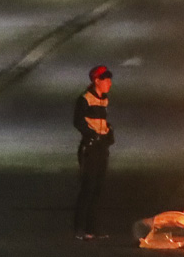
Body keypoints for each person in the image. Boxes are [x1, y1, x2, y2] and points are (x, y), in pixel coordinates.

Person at [73, 65, 115, 240]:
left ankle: (93, 228)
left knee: (98, 188)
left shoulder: (103, 99)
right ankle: (79, 228)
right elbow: (78, 121)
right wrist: (92, 136)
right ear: (97, 81)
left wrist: (108, 134)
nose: (109, 83)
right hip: (89, 148)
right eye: (106, 79)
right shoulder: (85, 99)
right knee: (88, 187)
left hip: (101, 148)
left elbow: (103, 121)